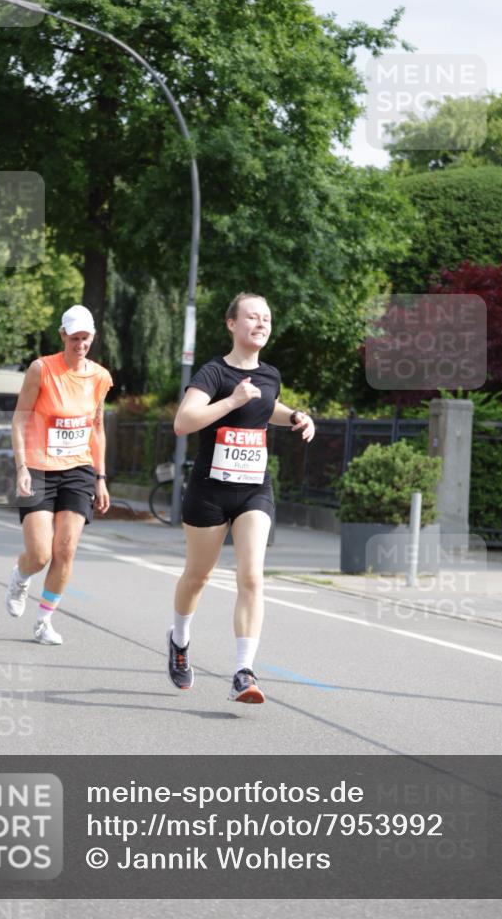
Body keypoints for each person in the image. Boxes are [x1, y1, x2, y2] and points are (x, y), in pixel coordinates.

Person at [167, 292, 315, 703]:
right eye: (252, 317)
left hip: (254, 489)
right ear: (232, 324)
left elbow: (267, 406)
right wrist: (231, 400)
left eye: (266, 318)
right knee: (198, 576)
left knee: (251, 576)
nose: (261, 323)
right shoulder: (213, 373)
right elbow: (183, 422)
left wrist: (295, 416)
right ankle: (179, 640)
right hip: (209, 491)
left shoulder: (270, 375)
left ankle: (243, 672)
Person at [5, 305, 112, 644]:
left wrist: (101, 477)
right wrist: (21, 467)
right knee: (40, 554)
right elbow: (19, 419)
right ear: (63, 335)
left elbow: (97, 428)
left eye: (86, 338)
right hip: (38, 468)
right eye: (74, 338)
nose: (80, 344)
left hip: (78, 470)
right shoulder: (42, 369)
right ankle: (21, 576)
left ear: (93, 337)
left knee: (65, 550)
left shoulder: (100, 377)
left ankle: (43, 622)